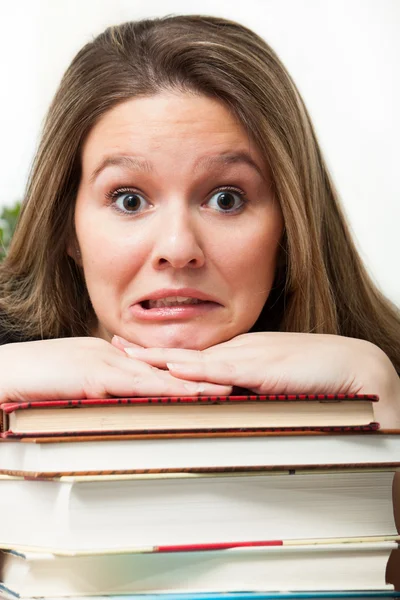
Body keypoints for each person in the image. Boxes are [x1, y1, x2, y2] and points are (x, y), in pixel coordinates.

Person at [0, 14, 399, 428]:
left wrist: (385, 408)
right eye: (130, 201)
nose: (177, 249)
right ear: (67, 227)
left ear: (291, 226)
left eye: (226, 200)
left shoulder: (382, 374)